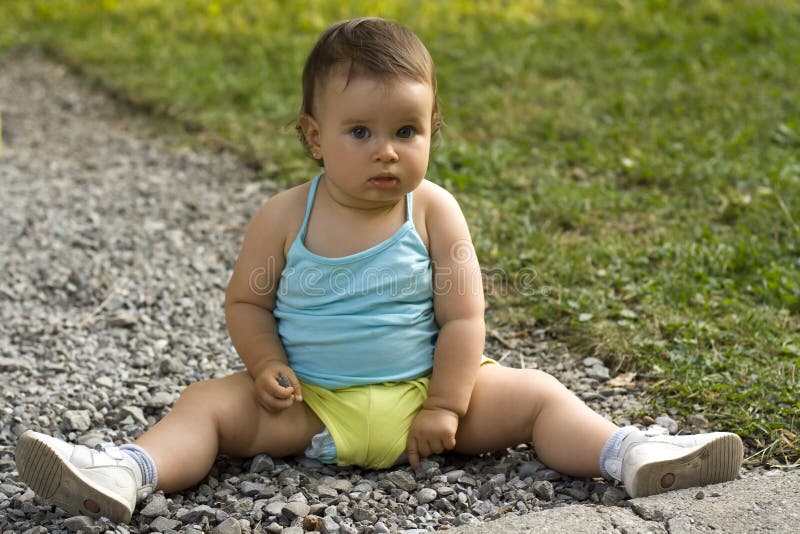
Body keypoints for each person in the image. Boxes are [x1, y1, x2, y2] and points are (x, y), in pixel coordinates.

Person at [14, 17, 744, 524]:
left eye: (405, 131)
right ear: (314, 138)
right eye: (360, 132)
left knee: (537, 396)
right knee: (206, 403)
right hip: (310, 408)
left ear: (433, 132)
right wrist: (266, 364)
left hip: (429, 398)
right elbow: (246, 304)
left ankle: (627, 453)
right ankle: (127, 471)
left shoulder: (433, 213)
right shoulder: (282, 218)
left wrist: (446, 407)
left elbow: (463, 320)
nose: (385, 151)